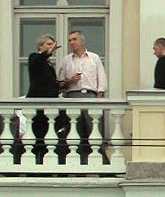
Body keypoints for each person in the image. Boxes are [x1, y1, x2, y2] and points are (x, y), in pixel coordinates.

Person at [57, 30, 108, 163]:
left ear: (82, 41)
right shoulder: (66, 60)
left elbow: (101, 80)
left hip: (90, 96)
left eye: (74, 39)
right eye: (70, 40)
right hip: (72, 96)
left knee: (94, 131)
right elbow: (60, 84)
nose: (72, 42)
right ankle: (78, 164)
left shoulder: (94, 58)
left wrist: (99, 98)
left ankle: (103, 164)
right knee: (75, 132)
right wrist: (71, 81)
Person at [26, 33, 60, 162]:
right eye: (49, 44)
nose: (52, 47)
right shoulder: (34, 57)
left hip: (50, 106)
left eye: (53, 44)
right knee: (36, 137)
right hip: (37, 106)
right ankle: (34, 166)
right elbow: (36, 63)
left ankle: (46, 165)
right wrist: (47, 53)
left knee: (48, 137)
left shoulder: (48, 64)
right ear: (41, 46)